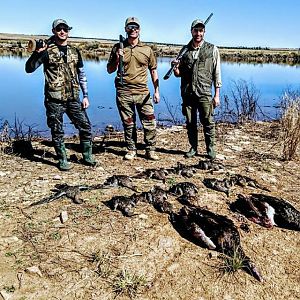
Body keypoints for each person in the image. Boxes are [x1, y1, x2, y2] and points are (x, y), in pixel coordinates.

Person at [25, 19, 96, 171]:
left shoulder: (75, 52)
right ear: (54, 31)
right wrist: (36, 55)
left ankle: (87, 156)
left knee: (85, 126)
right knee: (57, 130)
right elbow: (29, 69)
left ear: (68, 31)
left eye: (65, 29)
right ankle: (62, 159)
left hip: (73, 98)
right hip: (54, 99)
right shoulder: (46, 52)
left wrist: (85, 95)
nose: (62, 31)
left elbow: (82, 75)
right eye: (59, 29)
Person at [107, 17, 160, 161]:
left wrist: (156, 91)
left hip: (143, 92)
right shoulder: (118, 47)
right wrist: (117, 58)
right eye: (130, 27)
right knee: (129, 123)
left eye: (136, 27)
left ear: (139, 30)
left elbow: (153, 71)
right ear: (125, 29)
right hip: (124, 92)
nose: (133, 29)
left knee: (149, 122)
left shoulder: (147, 50)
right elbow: (110, 70)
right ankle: (131, 149)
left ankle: (150, 150)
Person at [173, 19, 222, 160]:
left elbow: (217, 73)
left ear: (204, 32)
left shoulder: (212, 49)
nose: (198, 33)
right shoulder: (184, 50)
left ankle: (210, 149)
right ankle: (193, 148)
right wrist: (176, 67)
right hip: (188, 93)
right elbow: (178, 74)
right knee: (190, 123)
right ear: (191, 31)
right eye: (196, 30)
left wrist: (217, 95)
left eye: (201, 30)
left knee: (208, 122)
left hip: (205, 92)